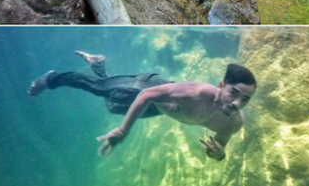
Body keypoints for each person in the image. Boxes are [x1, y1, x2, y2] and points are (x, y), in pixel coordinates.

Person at [28, 51, 256, 160]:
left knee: (112, 105)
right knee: (99, 88)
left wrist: (218, 155)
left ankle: (99, 64)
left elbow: (220, 145)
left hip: (160, 109)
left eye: (244, 99)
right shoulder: (194, 93)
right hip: (148, 87)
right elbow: (147, 94)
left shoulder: (233, 122)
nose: (237, 103)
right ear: (221, 85)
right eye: (233, 94)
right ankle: (52, 79)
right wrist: (123, 130)